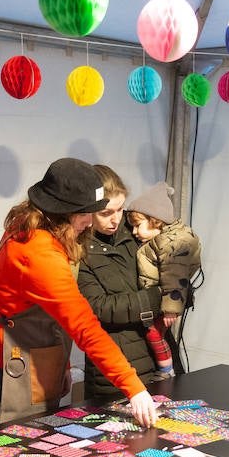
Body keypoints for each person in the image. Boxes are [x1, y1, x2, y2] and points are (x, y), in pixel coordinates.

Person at [0, 158, 158, 427]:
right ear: (63, 212)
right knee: (26, 448)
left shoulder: (27, 222)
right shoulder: (39, 252)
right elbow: (84, 325)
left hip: (31, 353)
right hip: (20, 365)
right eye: (86, 214)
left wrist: (61, 364)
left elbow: (51, 309)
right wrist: (133, 388)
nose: (89, 223)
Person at [76, 165, 164, 400]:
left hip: (160, 355)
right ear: (87, 211)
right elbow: (98, 308)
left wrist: (177, 292)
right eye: (106, 213)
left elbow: (177, 273)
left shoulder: (137, 229)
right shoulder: (78, 249)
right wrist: (158, 299)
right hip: (113, 372)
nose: (116, 219)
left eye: (120, 209)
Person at [128, 182, 202, 377]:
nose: (135, 232)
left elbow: (175, 275)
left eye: (138, 225)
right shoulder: (163, 239)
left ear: (156, 220)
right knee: (157, 334)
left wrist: (171, 308)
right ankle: (167, 368)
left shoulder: (171, 244)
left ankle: (166, 370)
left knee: (154, 333)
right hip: (161, 297)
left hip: (168, 299)